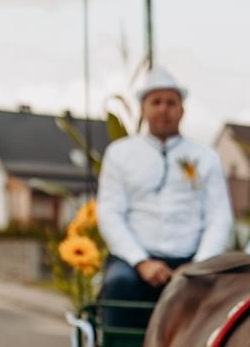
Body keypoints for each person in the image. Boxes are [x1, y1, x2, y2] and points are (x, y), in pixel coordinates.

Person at [97, 67, 234, 325]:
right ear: (143, 108)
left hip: (191, 261)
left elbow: (219, 217)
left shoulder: (205, 156)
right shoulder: (119, 153)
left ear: (182, 110)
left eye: (171, 102)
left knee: (220, 293)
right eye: (156, 102)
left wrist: (198, 265)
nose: (163, 109)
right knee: (118, 284)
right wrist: (141, 262)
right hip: (134, 262)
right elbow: (109, 212)